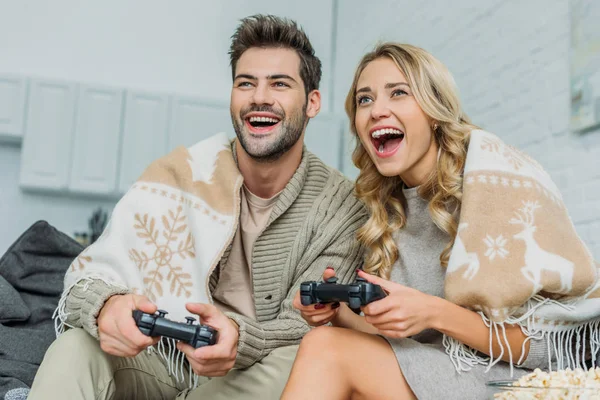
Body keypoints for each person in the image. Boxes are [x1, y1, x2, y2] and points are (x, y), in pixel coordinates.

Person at [28, 15, 366, 400]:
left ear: (312, 102)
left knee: (305, 358)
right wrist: (106, 305)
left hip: (255, 374)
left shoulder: (343, 208)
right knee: (76, 347)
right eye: (245, 83)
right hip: (165, 362)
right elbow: (88, 279)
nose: (259, 97)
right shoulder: (179, 175)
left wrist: (240, 338)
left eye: (280, 84)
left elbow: (304, 325)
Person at [281, 42, 600, 399]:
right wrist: (337, 315)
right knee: (328, 344)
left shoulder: (493, 183)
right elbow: (405, 349)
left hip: (510, 376)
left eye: (398, 93)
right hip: (441, 372)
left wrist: (434, 313)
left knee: (326, 350)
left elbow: (558, 347)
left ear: (434, 111)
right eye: (364, 99)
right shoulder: (390, 206)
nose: (376, 111)